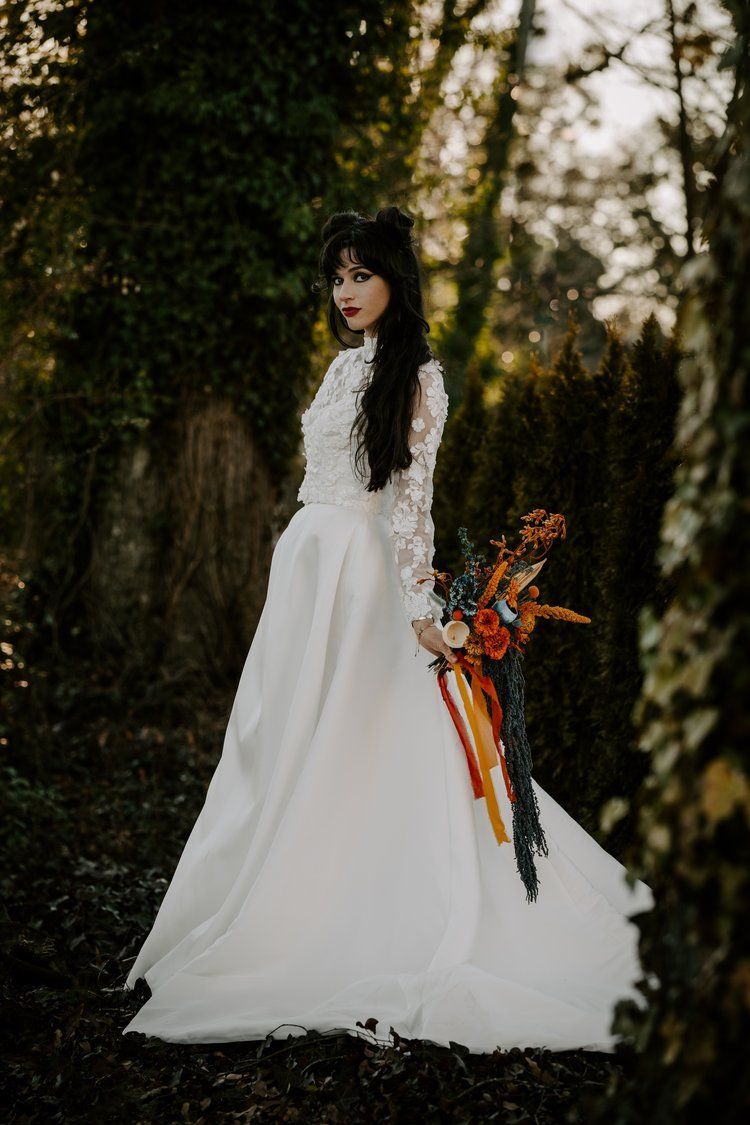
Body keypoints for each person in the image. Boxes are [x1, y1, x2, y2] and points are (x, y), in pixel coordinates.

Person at [122, 205, 654, 1053]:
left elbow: (412, 505)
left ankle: (359, 904)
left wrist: (421, 608)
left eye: (361, 274)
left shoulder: (419, 379)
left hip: (365, 580)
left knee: (361, 738)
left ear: (396, 282)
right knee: (279, 738)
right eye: (337, 276)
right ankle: (266, 896)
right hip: (306, 568)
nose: (345, 291)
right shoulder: (340, 372)